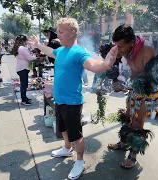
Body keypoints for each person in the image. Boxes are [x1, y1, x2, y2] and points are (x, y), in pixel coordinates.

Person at [29, 17, 117, 180]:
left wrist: (105, 64)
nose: (58, 35)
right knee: (62, 128)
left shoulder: (78, 52)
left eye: (61, 32)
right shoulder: (60, 50)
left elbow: (92, 65)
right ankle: (66, 148)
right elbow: (49, 51)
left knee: (76, 134)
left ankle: (80, 161)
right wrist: (37, 45)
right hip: (60, 100)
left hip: (72, 103)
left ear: (72, 33)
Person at [106, 25, 158, 169]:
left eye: (121, 46)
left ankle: (133, 155)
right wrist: (116, 80)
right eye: (117, 46)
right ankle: (123, 143)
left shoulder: (146, 49)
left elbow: (153, 76)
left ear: (131, 42)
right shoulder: (122, 47)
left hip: (147, 89)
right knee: (128, 115)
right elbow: (112, 63)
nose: (119, 49)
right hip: (134, 86)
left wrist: (132, 85)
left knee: (137, 123)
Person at [12, 35, 37, 105]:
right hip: (23, 69)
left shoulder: (18, 48)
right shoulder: (22, 48)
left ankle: (24, 97)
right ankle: (24, 100)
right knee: (24, 85)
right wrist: (35, 57)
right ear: (23, 41)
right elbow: (29, 58)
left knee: (24, 84)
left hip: (21, 69)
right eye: (26, 40)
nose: (26, 42)